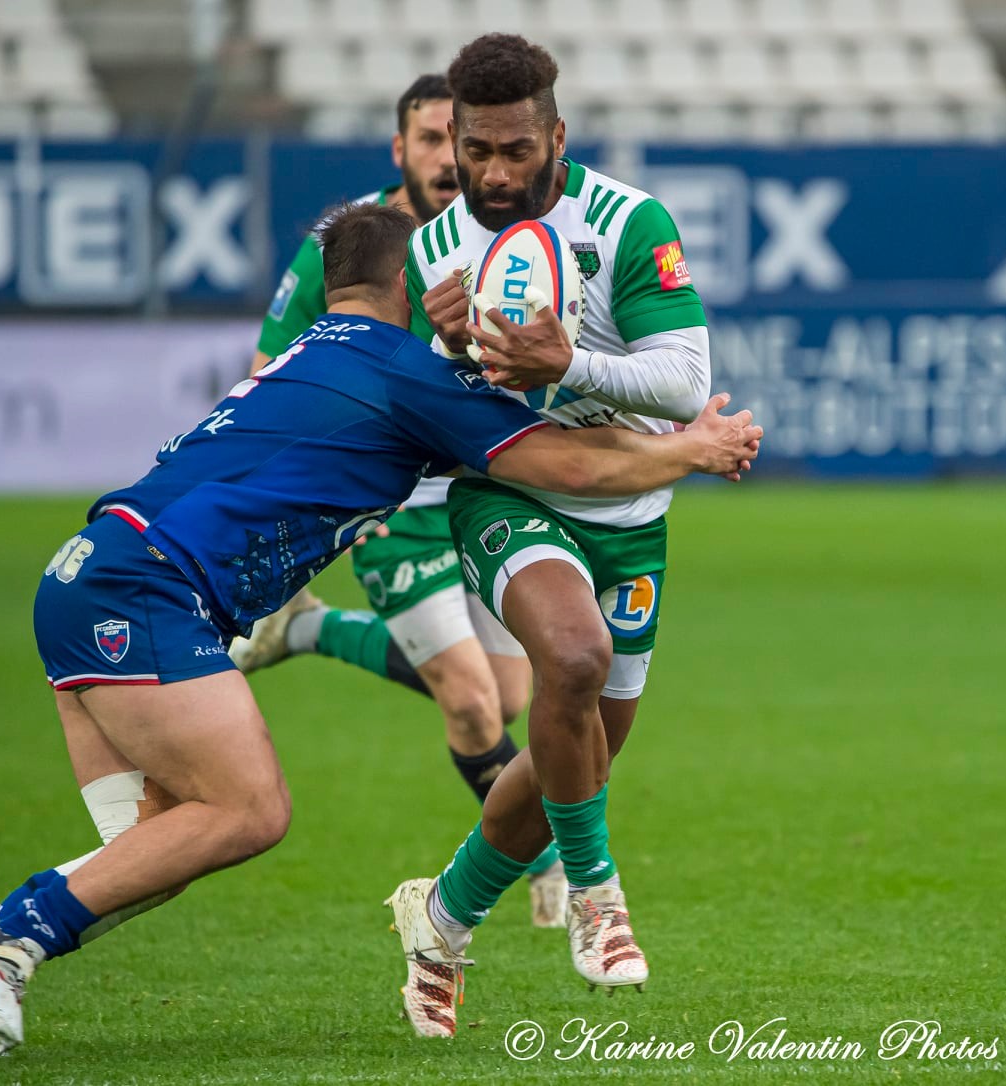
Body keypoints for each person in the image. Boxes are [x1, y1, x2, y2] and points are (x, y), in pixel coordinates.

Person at [0, 201, 761, 1058]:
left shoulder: (309, 352)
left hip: (82, 577)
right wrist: (694, 448)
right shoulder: (405, 372)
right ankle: (5, 945)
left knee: (149, 853)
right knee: (248, 810)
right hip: (143, 592)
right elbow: (570, 464)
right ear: (414, 282)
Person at [383, 32, 714, 1033]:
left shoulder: (627, 223)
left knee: (574, 756)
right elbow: (425, 406)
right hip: (509, 497)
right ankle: (599, 903)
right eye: (474, 150)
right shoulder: (436, 247)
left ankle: (439, 922)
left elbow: (685, 384)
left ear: (556, 136)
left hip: (629, 514)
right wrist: (441, 352)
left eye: (513, 151)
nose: (488, 173)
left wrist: (566, 363)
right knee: (570, 659)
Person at [232, 75, 570, 925]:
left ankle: (306, 628)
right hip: (388, 499)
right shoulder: (349, 243)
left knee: (510, 697)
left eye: (452, 140)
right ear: (403, 150)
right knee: (467, 701)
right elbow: (271, 371)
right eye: (426, 140)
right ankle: (548, 863)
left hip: (480, 486)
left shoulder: (507, 237)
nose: (445, 158)